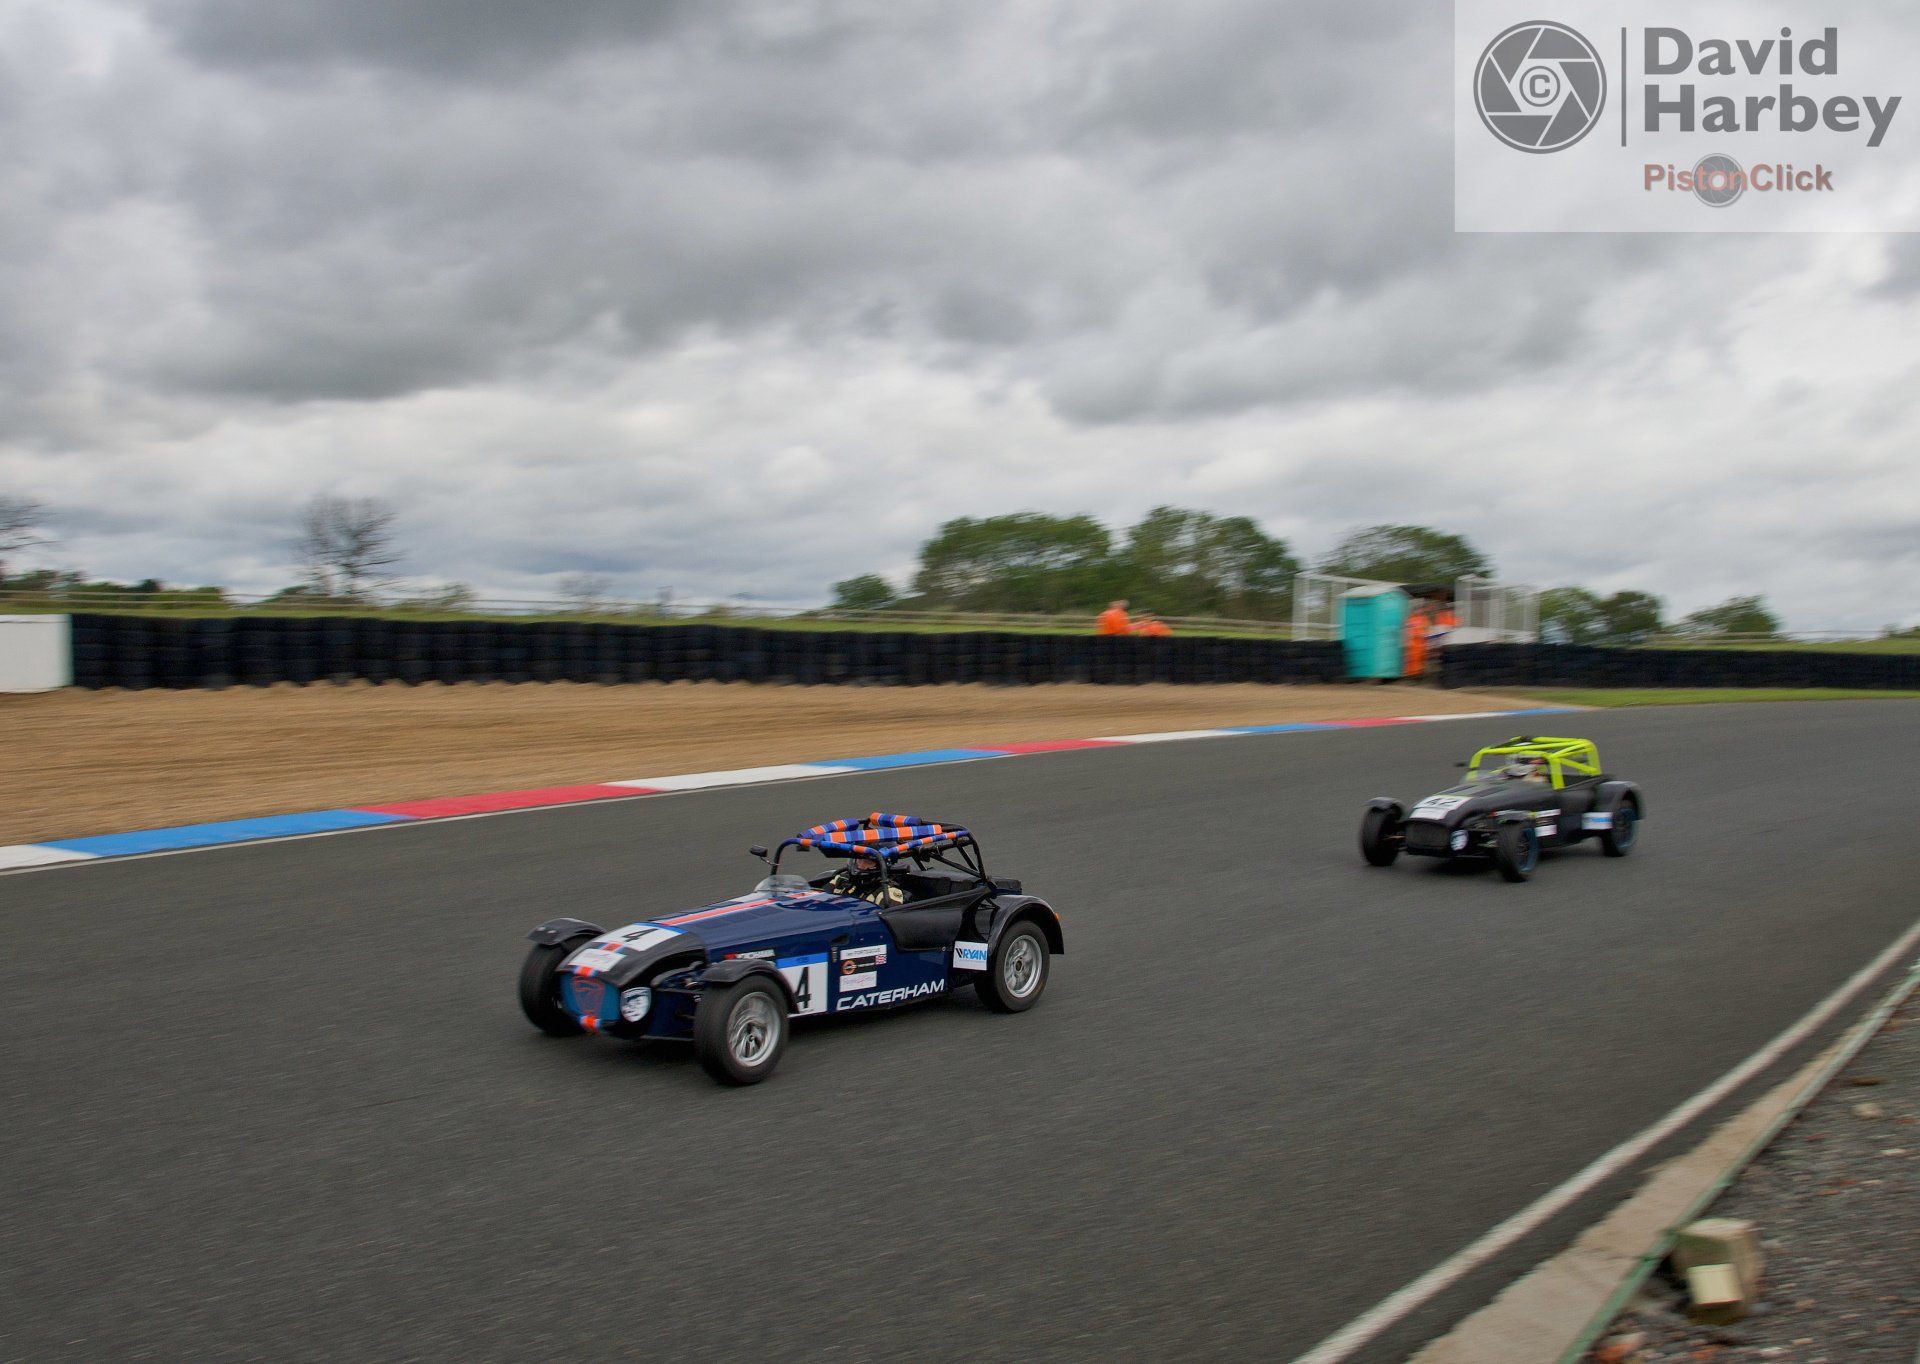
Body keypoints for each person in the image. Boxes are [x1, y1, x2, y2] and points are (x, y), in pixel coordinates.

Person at [825, 855, 906, 906]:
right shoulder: (841, 879)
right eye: (859, 860)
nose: (861, 866)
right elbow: (821, 899)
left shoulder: (888, 893)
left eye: (868, 862)